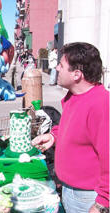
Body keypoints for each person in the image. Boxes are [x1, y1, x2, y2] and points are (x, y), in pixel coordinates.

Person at [31, 42, 109, 213]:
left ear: (76, 74)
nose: (56, 68)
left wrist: (103, 202)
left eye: (61, 65)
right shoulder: (73, 96)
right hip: (69, 190)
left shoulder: (101, 104)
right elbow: (72, 127)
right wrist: (53, 136)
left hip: (88, 197)